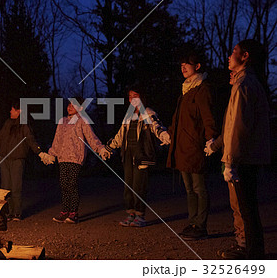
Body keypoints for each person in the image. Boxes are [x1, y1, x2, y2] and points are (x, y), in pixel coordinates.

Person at [211, 40, 270, 260]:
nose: (229, 55)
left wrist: (230, 161)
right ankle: (251, 250)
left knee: (246, 208)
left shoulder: (244, 84)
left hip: (244, 158)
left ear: (244, 56)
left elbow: (237, 126)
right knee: (247, 207)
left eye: (234, 51)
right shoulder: (246, 82)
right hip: (248, 156)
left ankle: (252, 254)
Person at [167, 50, 218, 241]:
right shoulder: (185, 90)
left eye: (187, 64)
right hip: (182, 147)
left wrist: (211, 138)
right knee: (189, 189)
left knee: (199, 187)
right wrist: (169, 134)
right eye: (181, 65)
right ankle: (192, 222)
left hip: (195, 146)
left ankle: (201, 225)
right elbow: (178, 119)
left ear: (197, 66)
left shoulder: (202, 89)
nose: (183, 68)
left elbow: (208, 117)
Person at [101, 86, 170, 227]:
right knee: (129, 185)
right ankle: (131, 214)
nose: (132, 99)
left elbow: (156, 126)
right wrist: (108, 148)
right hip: (128, 155)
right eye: (130, 97)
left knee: (139, 185)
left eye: (135, 96)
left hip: (142, 155)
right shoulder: (128, 115)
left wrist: (163, 134)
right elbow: (120, 136)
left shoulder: (148, 113)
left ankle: (140, 216)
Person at [42, 97, 106, 224]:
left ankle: (73, 213)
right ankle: (65, 211)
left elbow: (91, 137)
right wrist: (51, 154)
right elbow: (57, 139)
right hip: (63, 157)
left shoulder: (83, 121)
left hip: (76, 157)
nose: (70, 107)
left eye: (73, 105)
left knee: (72, 184)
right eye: (69, 105)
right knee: (64, 184)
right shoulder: (63, 121)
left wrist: (100, 148)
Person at [0, 101, 48, 221]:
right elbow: (0, 137)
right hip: (4, 158)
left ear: (19, 111)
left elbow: (31, 140)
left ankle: (17, 212)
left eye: (13, 110)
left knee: (16, 186)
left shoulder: (24, 125)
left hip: (17, 159)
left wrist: (40, 152)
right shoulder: (7, 123)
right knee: (5, 187)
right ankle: (8, 212)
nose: (10, 111)